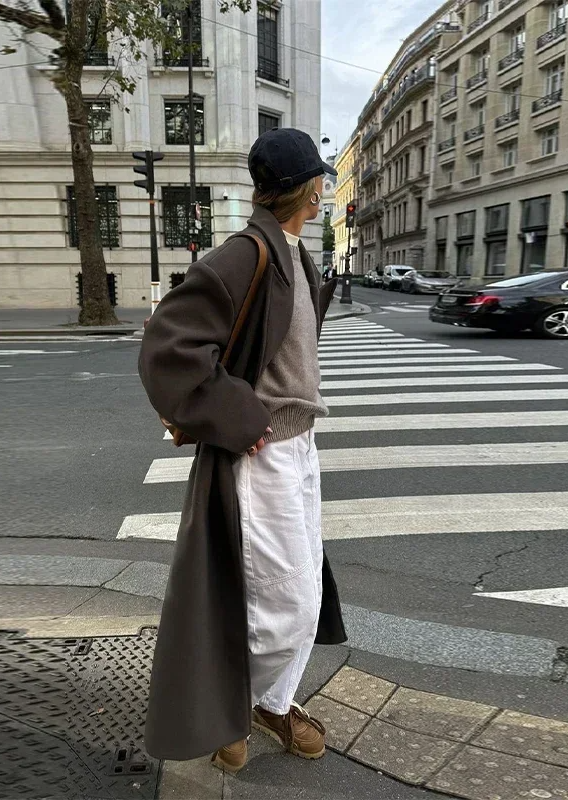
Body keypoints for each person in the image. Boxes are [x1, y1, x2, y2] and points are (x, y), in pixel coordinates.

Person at [138, 128, 347, 773]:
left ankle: (270, 703)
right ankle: (236, 706)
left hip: (298, 444)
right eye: (321, 181)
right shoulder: (245, 253)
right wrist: (242, 419)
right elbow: (168, 349)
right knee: (282, 603)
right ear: (312, 190)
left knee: (301, 592)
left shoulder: (293, 252)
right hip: (264, 452)